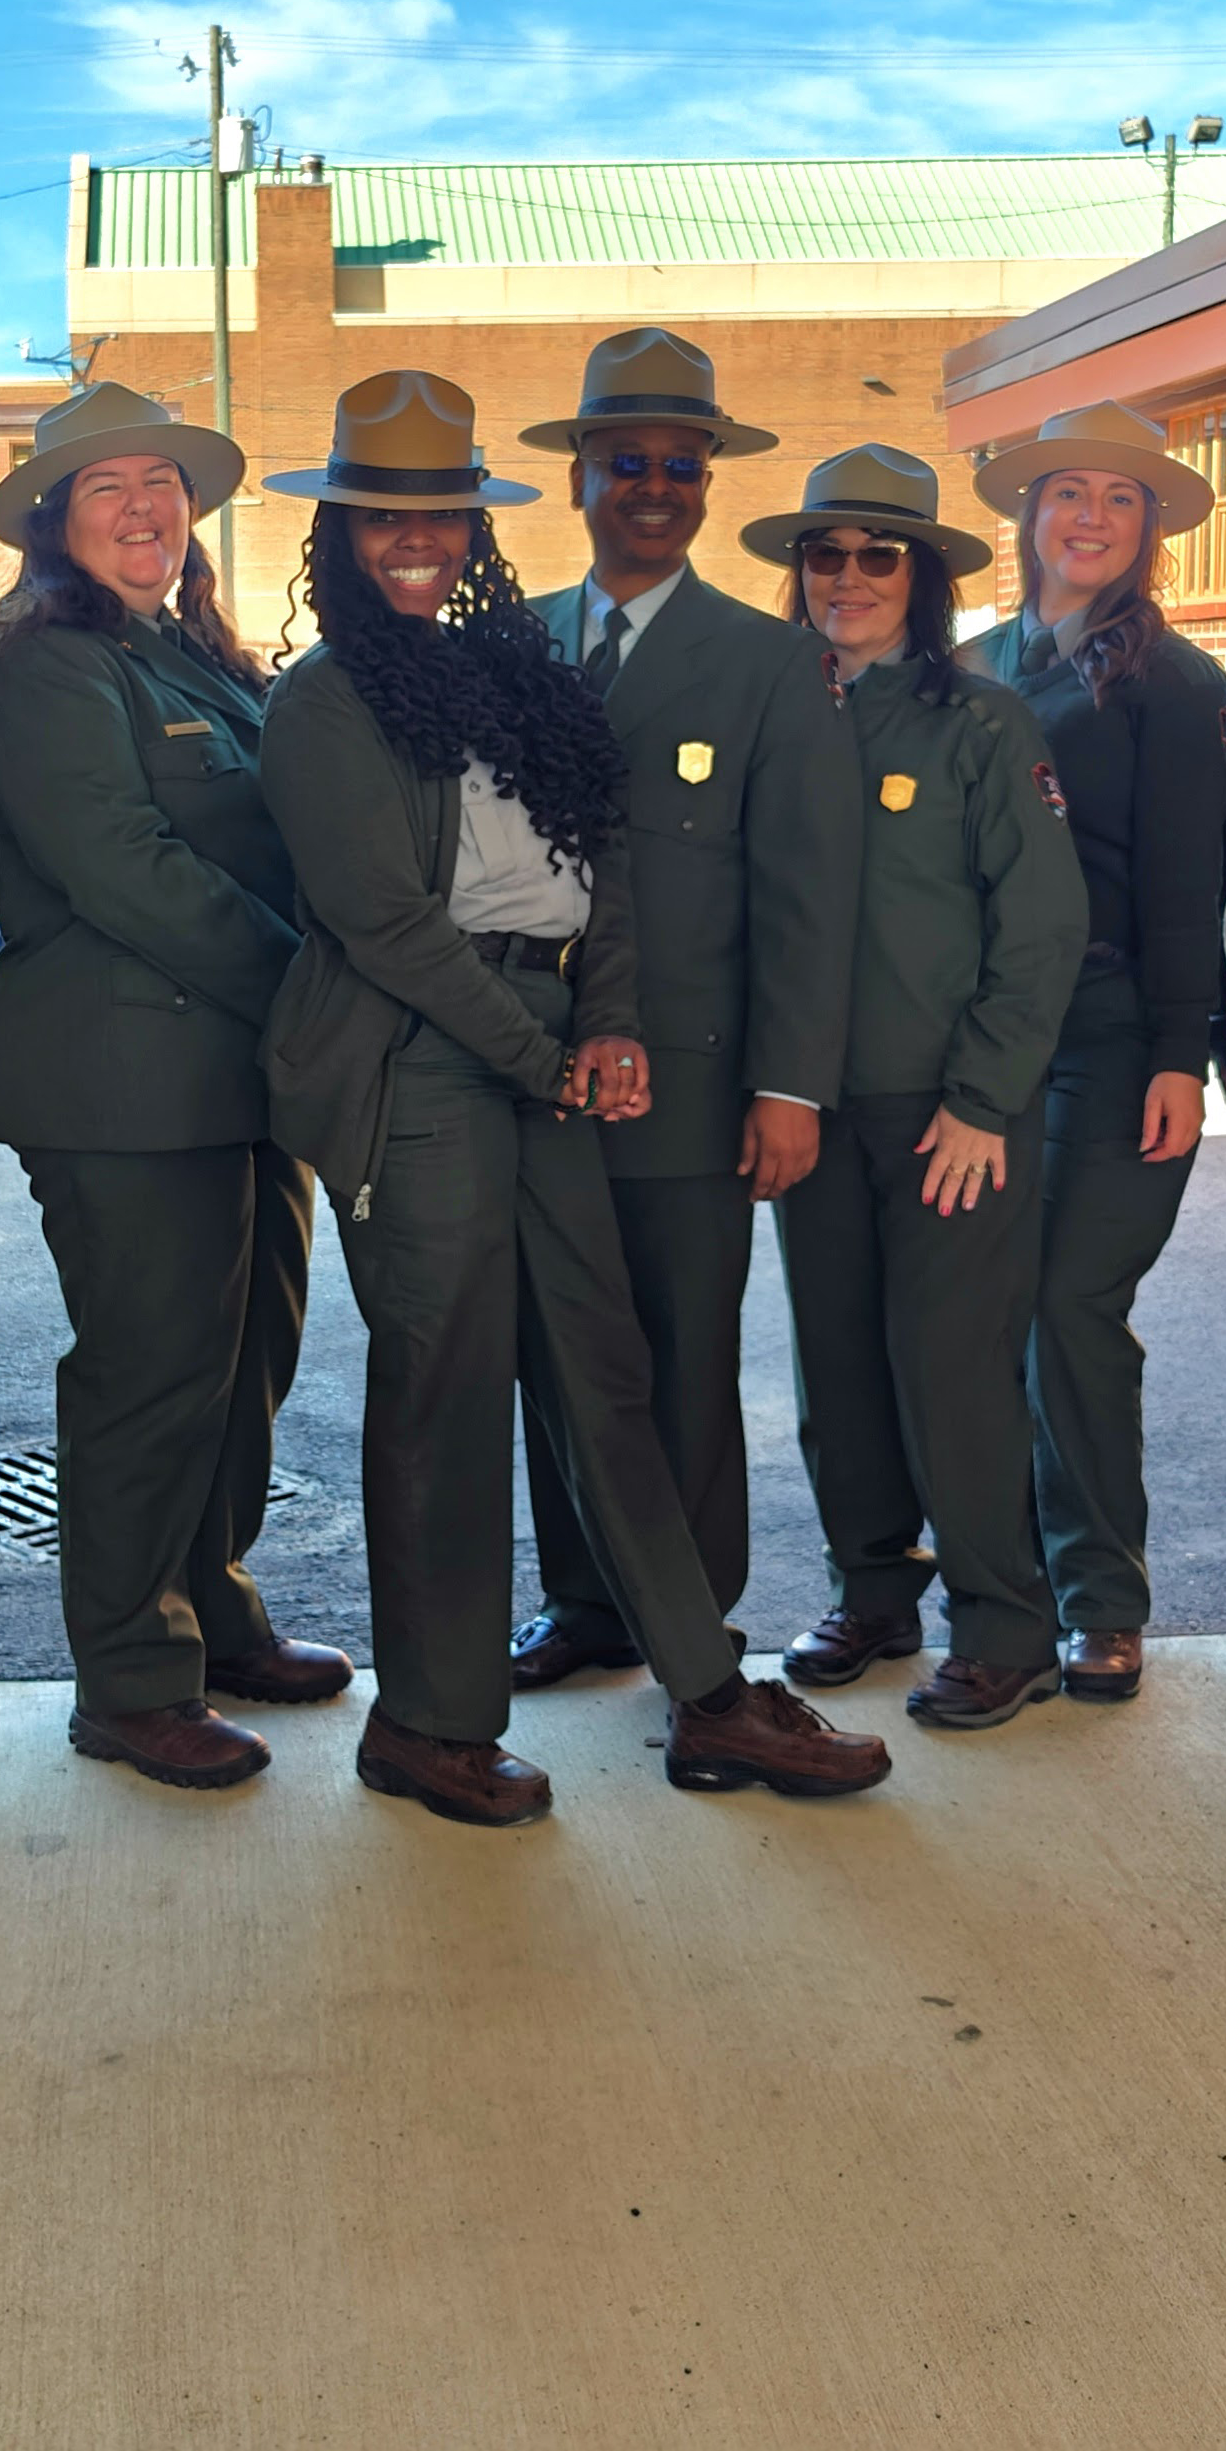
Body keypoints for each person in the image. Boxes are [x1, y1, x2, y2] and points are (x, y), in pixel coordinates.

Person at [256, 373, 886, 1824]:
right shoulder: (324, 699)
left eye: (443, 515)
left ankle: (709, 1691)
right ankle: (425, 1723)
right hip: (419, 1061)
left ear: (476, 525)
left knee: (607, 1373)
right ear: (340, 532)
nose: (416, 541)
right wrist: (550, 1060)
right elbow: (388, 930)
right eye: (383, 519)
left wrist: (600, 1026)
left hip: (541, 1044)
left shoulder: (511, 669)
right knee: (447, 1393)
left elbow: (592, 860)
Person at [0, 383, 351, 1788]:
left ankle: (210, 1604)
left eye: (163, 484)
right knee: (151, 1376)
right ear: (54, 522)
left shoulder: (197, 659)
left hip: (242, 1072)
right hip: (126, 1081)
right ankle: (128, 1675)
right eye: (107, 486)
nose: (145, 506)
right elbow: (131, 873)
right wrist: (319, 986)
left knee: (250, 1364)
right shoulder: (49, 670)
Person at [500, 331, 862, 1694]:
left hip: (698, 1085)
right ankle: (586, 1599)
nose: (653, 486)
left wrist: (792, 1085)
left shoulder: (769, 662)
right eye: (626, 461)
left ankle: (694, 1625)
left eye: (679, 465)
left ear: (706, 485)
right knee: (557, 1355)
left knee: (683, 1360)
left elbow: (810, 896)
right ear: (581, 474)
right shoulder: (517, 641)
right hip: (539, 1076)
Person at [747, 448, 1091, 1732]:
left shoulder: (980, 721)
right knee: (836, 1367)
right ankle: (871, 1590)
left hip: (946, 1110)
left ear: (924, 577)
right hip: (804, 1105)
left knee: (951, 1371)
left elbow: (1044, 924)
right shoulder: (770, 712)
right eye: (824, 554)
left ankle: (1007, 1625)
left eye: (877, 554)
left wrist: (987, 1096)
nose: (846, 577)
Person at [965, 403, 1226, 1700]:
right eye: (1065, 491)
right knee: (992, 1315)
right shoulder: (967, 667)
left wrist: (1182, 1053)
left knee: (1074, 1309)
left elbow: (1191, 887)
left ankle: (1101, 1598)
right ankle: (999, 1586)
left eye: (1118, 500)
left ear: (1148, 533)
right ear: (1026, 515)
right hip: (980, 1050)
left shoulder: (1175, 690)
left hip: (1118, 1040)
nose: (1087, 517)